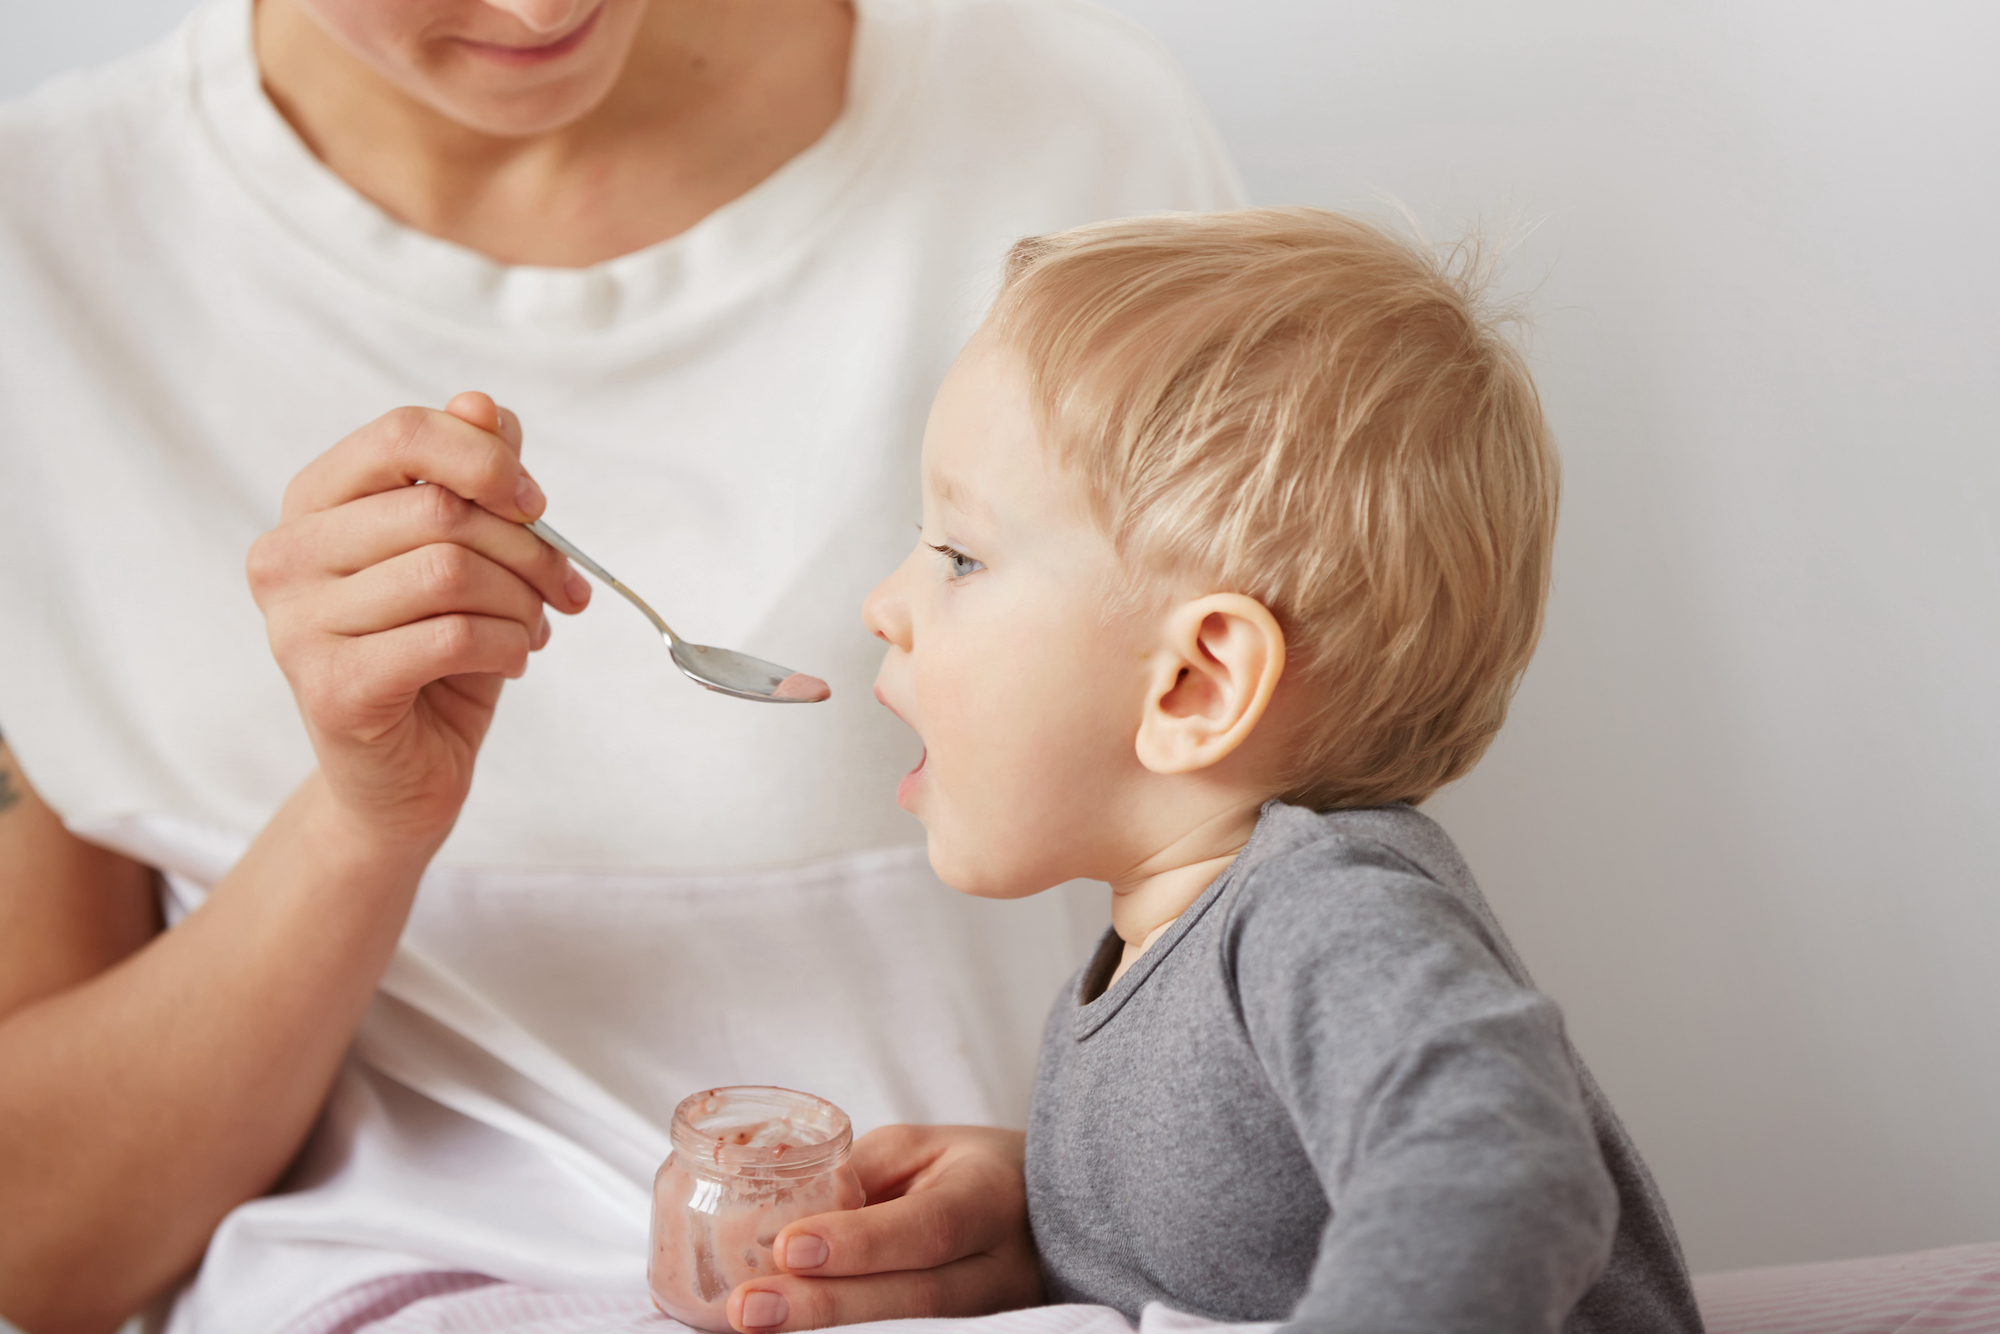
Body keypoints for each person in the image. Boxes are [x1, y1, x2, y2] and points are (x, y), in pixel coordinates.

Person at [0, 0, 1241, 1327]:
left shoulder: (1071, 147)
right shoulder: (46, 249)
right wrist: (364, 821)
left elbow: (1306, 974)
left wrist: (1080, 1202)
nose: (543, 12)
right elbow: (45, 1247)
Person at [859, 209, 1706, 1332]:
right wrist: (1049, 1204)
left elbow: (1500, 1165)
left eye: (959, 555)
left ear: (1196, 684)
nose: (885, 602)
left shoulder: (1326, 912)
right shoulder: (1168, 947)